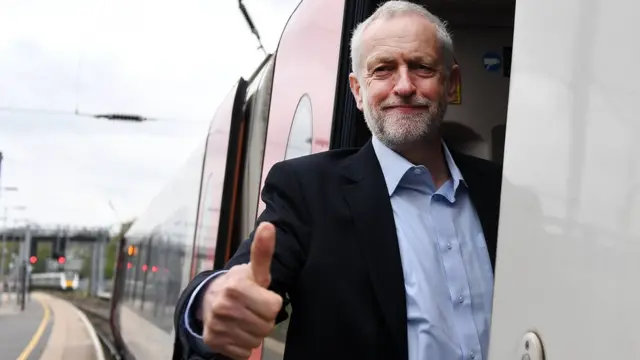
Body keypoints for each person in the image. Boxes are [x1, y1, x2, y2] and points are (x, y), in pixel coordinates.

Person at [173, 1, 502, 359]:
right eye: (383, 69)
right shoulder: (306, 191)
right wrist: (210, 299)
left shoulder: (502, 191)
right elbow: (238, 281)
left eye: (421, 67)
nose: (404, 86)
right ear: (358, 91)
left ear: (451, 83)